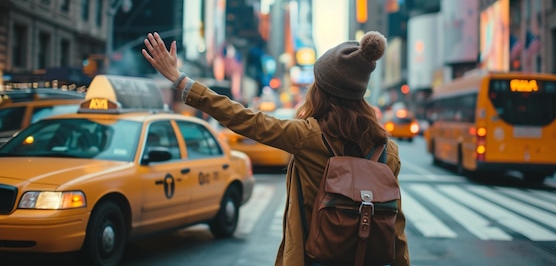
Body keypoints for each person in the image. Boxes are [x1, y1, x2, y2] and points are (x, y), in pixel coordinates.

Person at [142, 31, 410, 266]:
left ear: (323, 91)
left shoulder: (308, 136)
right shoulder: (388, 151)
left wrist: (180, 80)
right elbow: (396, 227)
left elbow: (243, 118)